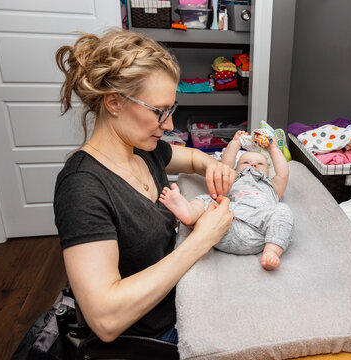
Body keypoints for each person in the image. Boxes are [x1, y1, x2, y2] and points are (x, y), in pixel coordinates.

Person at [53, 29, 236, 344]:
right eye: (159, 111)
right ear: (114, 103)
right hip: (157, 336)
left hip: (187, 301)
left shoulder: (143, 151)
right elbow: (106, 318)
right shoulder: (81, 189)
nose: (168, 126)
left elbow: (192, 158)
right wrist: (202, 239)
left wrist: (214, 165)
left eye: (171, 110)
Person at [159, 130, 293, 271]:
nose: (253, 165)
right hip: (224, 223)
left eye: (260, 163)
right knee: (205, 200)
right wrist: (236, 143)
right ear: (237, 167)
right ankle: (190, 213)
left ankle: (271, 251)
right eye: (246, 162)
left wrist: (272, 148)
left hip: (259, 231)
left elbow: (283, 173)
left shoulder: (272, 185)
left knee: (282, 210)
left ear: (268, 170)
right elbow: (225, 165)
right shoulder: (233, 177)